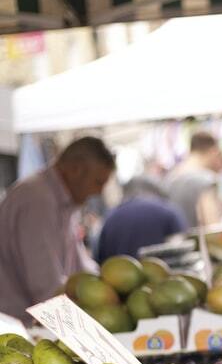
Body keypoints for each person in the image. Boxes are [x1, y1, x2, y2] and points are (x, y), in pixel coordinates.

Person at [0, 136, 115, 320]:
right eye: (98, 182)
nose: (99, 192)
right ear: (76, 169)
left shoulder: (63, 203)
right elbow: (46, 287)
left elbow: (80, 268)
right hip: (17, 331)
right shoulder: (37, 200)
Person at [96, 177, 187, 263]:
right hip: (162, 276)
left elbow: (102, 260)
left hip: (119, 278)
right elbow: (181, 253)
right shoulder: (169, 211)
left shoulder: (110, 218)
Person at [167, 131, 222, 228]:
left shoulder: (170, 177)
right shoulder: (206, 180)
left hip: (178, 241)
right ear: (213, 151)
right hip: (198, 241)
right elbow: (213, 226)